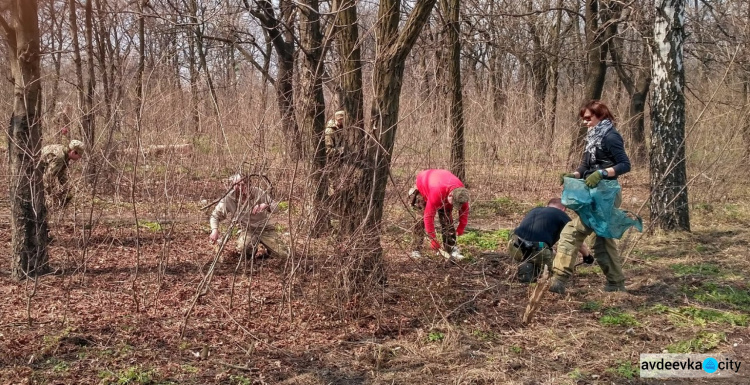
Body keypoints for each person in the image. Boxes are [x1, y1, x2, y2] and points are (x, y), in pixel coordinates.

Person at [551, 100, 631, 295]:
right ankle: (615, 283)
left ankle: (559, 279)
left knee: (573, 232)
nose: (585, 122)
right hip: (591, 193)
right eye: (583, 119)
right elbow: (585, 166)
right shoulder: (592, 137)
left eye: (588, 118)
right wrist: (574, 175)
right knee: (602, 238)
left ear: (600, 115)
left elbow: (625, 164)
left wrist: (603, 173)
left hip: (607, 193)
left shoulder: (611, 137)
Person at [508, 198, 592, 283]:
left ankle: (526, 273)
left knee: (536, 252)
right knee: (557, 271)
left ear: (548, 205)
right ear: (563, 209)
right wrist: (587, 256)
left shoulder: (535, 210)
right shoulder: (561, 215)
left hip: (514, 246)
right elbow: (577, 240)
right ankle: (552, 284)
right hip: (538, 249)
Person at [209, 174, 288, 259]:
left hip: (265, 229)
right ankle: (252, 250)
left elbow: (276, 208)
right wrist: (214, 230)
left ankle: (269, 251)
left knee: (283, 255)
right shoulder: (228, 199)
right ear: (232, 185)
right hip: (248, 231)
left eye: (243, 184)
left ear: (248, 184)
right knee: (243, 251)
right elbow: (215, 215)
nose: (240, 187)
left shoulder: (258, 192)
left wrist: (266, 205)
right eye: (237, 184)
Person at [409, 169, 470, 260]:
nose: (455, 206)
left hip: (440, 182)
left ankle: (451, 247)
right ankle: (416, 249)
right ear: (450, 195)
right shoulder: (437, 192)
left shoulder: (461, 193)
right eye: (454, 203)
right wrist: (433, 239)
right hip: (423, 185)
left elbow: (465, 210)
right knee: (421, 219)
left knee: (447, 219)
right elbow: (428, 217)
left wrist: (461, 227)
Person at [40, 140, 86, 208]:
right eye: (79, 155)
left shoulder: (65, 152)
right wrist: (54, 196)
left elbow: (61, 173)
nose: (79, 158)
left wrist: (66, 191)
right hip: (32, 170)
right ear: (73, 152)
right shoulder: (60, 158)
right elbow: (48, 178)